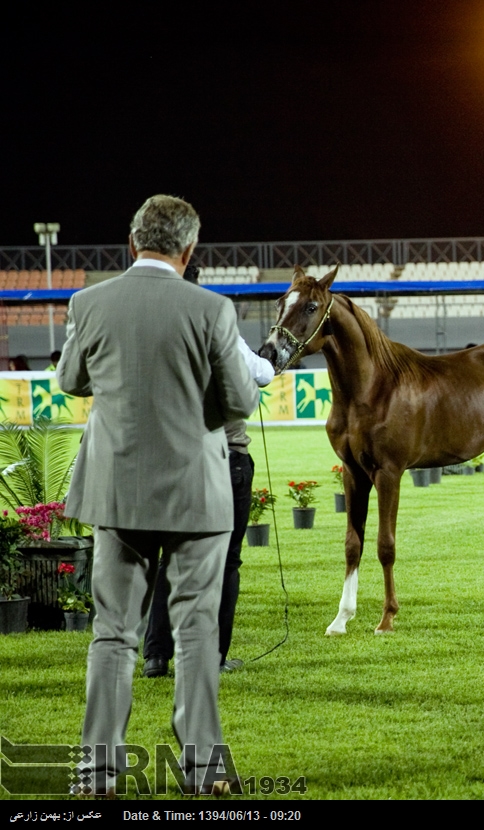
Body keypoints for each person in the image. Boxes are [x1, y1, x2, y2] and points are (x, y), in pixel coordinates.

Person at [60, 195, 259, 796]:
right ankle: (202, 770)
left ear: (132, 243)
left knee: (112, 634)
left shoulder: (88, 303)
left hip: (117, 493)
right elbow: (241, 401)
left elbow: (70, 379)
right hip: (197, 494)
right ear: (189, 250)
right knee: (196, 633)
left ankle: (98, 771)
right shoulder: (212, 309)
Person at [142, 263, 275, 678]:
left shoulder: (149, 329)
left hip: (171, 458)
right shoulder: (215, 321)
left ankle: (156, 655)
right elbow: (263, 374)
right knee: (227, 561)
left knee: (169, 558)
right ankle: (212, 657)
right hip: (225, 457)